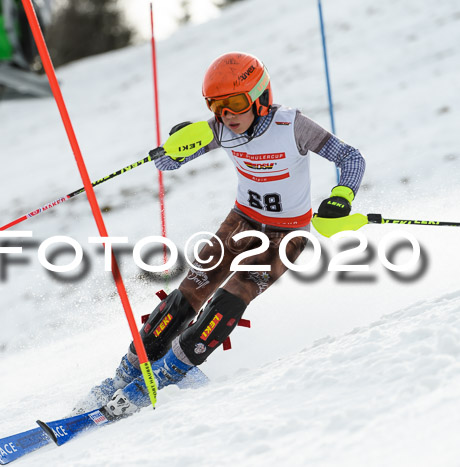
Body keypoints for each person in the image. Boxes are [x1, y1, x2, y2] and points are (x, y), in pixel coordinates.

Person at [73, 51, 366, 418]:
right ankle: (130, 370)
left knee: (231, 297)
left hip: (286, 234)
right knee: (189, 293)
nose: (227, 115)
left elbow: (351, 158)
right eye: (216, 106)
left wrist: (342, 196)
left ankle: (170, 374)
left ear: (260, 98)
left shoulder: (293, 126)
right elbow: (172, 160)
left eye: (235, 104)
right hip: (241, 220)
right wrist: (173, 151)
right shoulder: (221, 129)